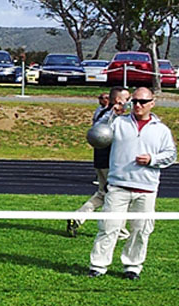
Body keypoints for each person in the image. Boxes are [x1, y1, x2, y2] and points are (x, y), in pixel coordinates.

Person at [88, 87, 176, 279]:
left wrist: (152, 159)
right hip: (118, 186)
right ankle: (98, 266)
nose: (138, 105)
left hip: (146, 189)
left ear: (152, 103)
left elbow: (170, 155)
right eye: (134, 101)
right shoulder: (119, 122)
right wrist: (112, 113)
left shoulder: (161, 130)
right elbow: (96, 135)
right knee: (108, 227)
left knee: (141, 230)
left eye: (143, 102)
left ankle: (132, 266)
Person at [67, 88, 128, 237]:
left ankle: (78, 217)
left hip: (101, 160)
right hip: (108, 162)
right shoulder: (109, 116)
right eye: (127, 99)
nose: (129, 102)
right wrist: (114, 114)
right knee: (119, 195)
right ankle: (119, 230)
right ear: (118, 101)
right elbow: (100, 132)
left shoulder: (101, 111)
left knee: (102, 194)